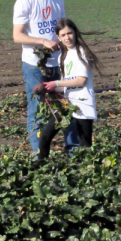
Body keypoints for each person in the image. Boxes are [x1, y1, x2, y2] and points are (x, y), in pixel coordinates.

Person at [12, 0, 71, 154]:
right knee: (37, 107)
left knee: (64, 106)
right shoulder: (24, 1)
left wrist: (67, 45)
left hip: (57, 62)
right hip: (34, 64)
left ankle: (72, 149)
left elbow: (62, 27)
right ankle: (39, 155)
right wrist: (43, 42)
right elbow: (17, 35)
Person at [38, 18, 101, 157]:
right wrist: (47, 88)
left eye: (69, 33)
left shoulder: (81, 52)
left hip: (83, 104)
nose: (67, 38)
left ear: (75, 32)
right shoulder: (64, 55)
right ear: (58, 37)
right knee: (45, 136)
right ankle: (40, 165)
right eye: (63, 35)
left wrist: (56, 83)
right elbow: (67, 83)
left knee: (85, 145)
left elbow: (80, 81)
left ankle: (88, 174)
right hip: (67, 104)